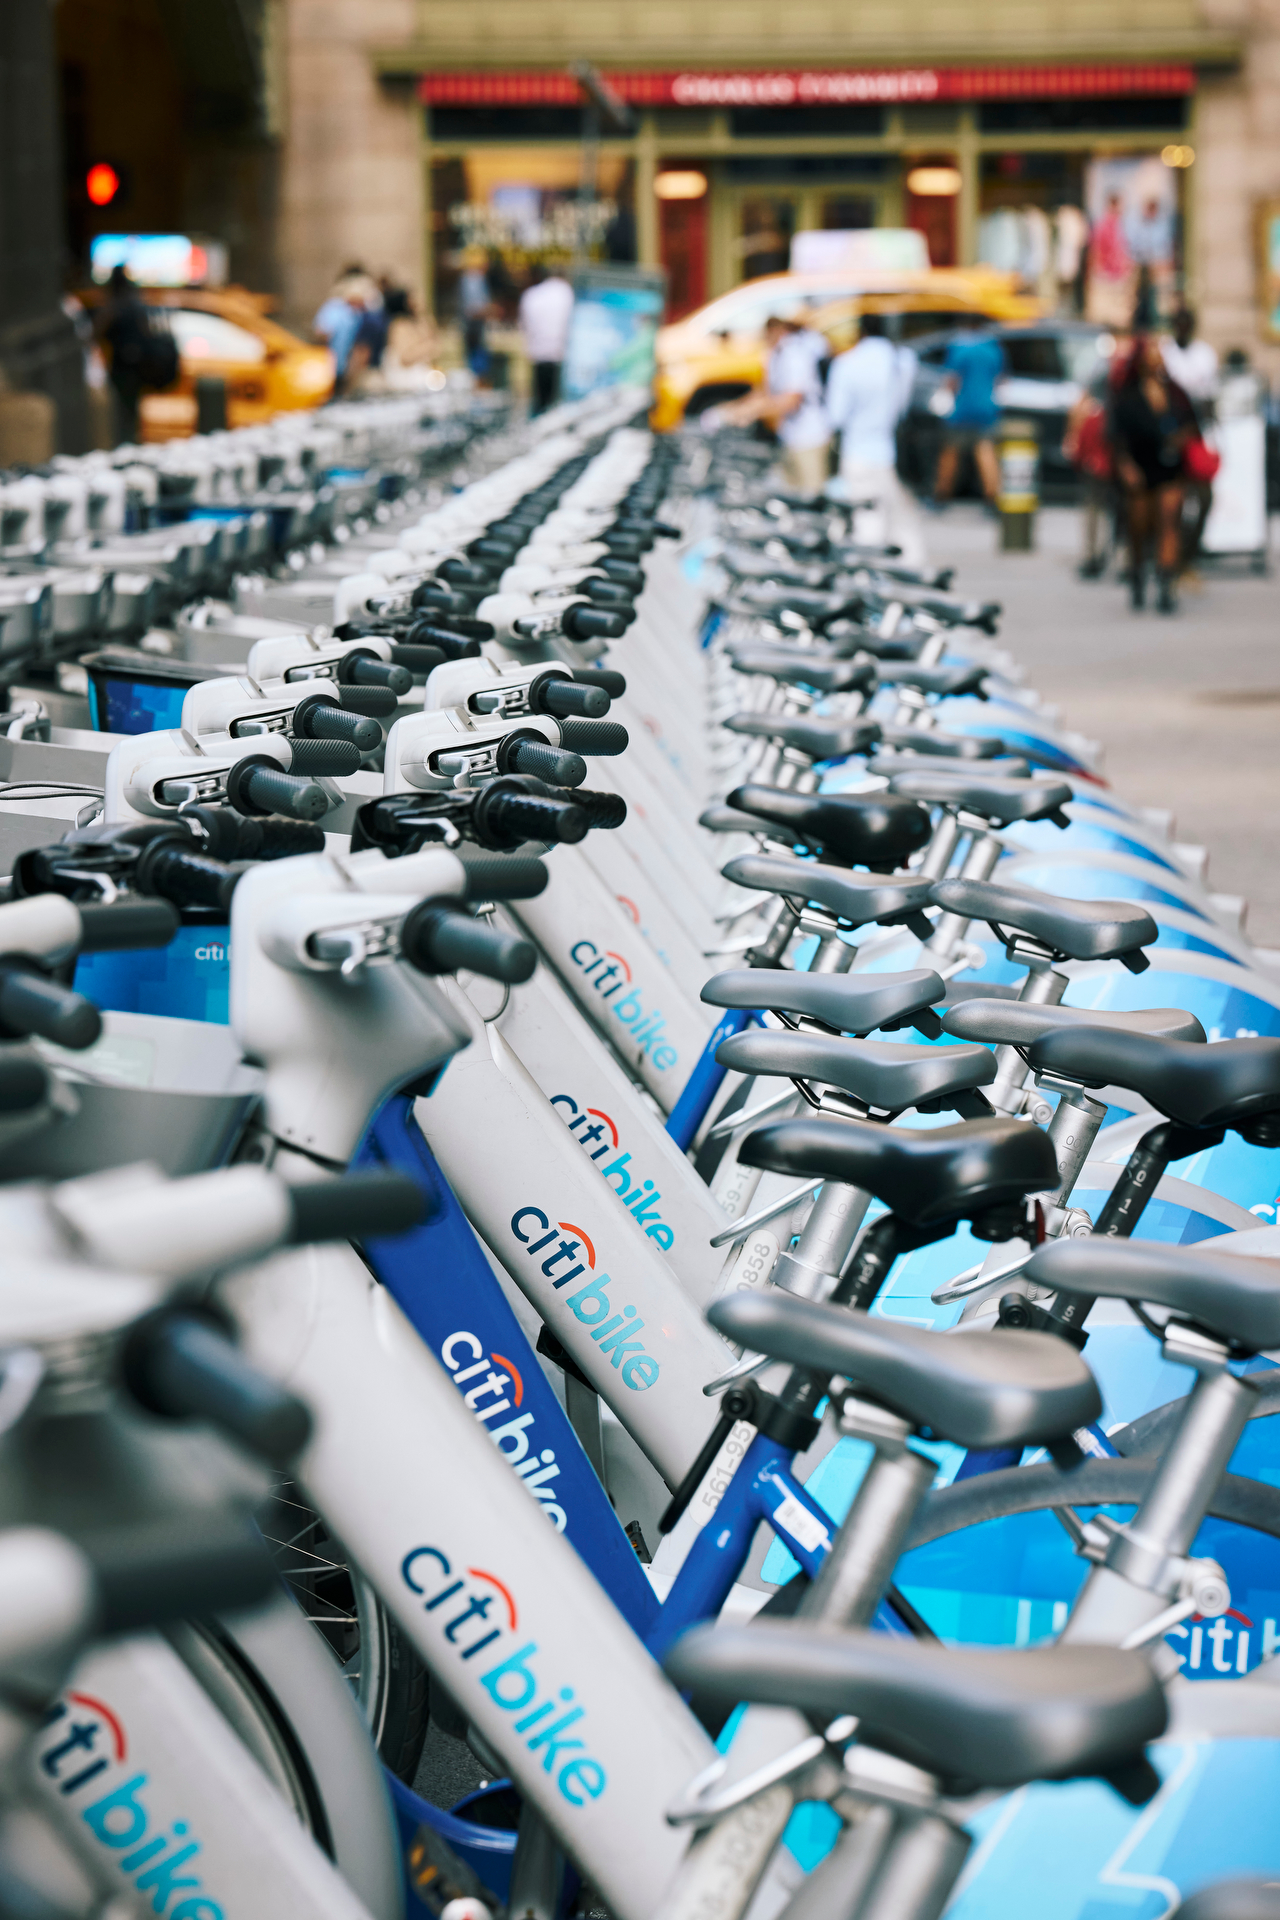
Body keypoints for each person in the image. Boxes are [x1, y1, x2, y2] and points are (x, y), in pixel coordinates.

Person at [825, 313, 927, 565]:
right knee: (896, 518)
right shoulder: (901, 361)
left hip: (857, 451)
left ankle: (868, 572)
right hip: (889, 451)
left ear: (860, 332)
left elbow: (835, 416)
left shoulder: (847, 363)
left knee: (866, 521)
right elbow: (902, 406)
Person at [1108, 333, 1196, 613]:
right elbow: (1116, 435)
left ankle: (1166, 582)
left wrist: (1181, 438)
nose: (1158, 357)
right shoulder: (1127, 394)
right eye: (1153, 351)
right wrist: (1125, 466)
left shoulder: (1176, 393)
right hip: (1140, 467)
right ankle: (1137, 572)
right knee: (1139, 526)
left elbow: (1193, 424)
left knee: (1169, 521)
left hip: (1170, 467)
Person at [715, 316, 833, 497]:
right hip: (788, 435)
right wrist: (733, 408)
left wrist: (751, 413)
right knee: (790, 494)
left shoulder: (795, 353)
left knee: (812, 495)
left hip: (809, 436)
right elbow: (765, 392)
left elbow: (792, 399)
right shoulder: (773, 354)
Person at [1161, 307, 1219, 570]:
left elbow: (1209, 398)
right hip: (1168, 435)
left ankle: (1187, 555)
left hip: (1194, 435)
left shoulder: (1205, 355)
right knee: (1171, 501)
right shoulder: (1164, 352)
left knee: (1204, 499)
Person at [931, 321, 1004, 509]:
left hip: (961, 409)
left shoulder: (959, 347)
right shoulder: (994, 349)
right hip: (986, 408)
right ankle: (993, 498)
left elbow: (951, 379)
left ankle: (941, 496)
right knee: (986, 452)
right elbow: (1000, 380)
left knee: (950, 452)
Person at [97, 265, 152, 445]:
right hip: (137, 365)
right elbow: (147, 331)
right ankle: (131, 441)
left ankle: (125, 443)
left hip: (120, 366)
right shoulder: (136, 303)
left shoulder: (114, 306)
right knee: (131, 410)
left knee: (120, 412)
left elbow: (98, 332)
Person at [518, 264, 575, 416]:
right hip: (561, 351)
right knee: (556, 401)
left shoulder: (532, 294)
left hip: (538, 351)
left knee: (540, 397)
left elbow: (525, 324)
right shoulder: (567, 292)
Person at [312, 271, 368, 387]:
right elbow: (322, 334)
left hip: (342, 367)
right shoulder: (334, 308)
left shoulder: (356, 314)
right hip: (328, 366)